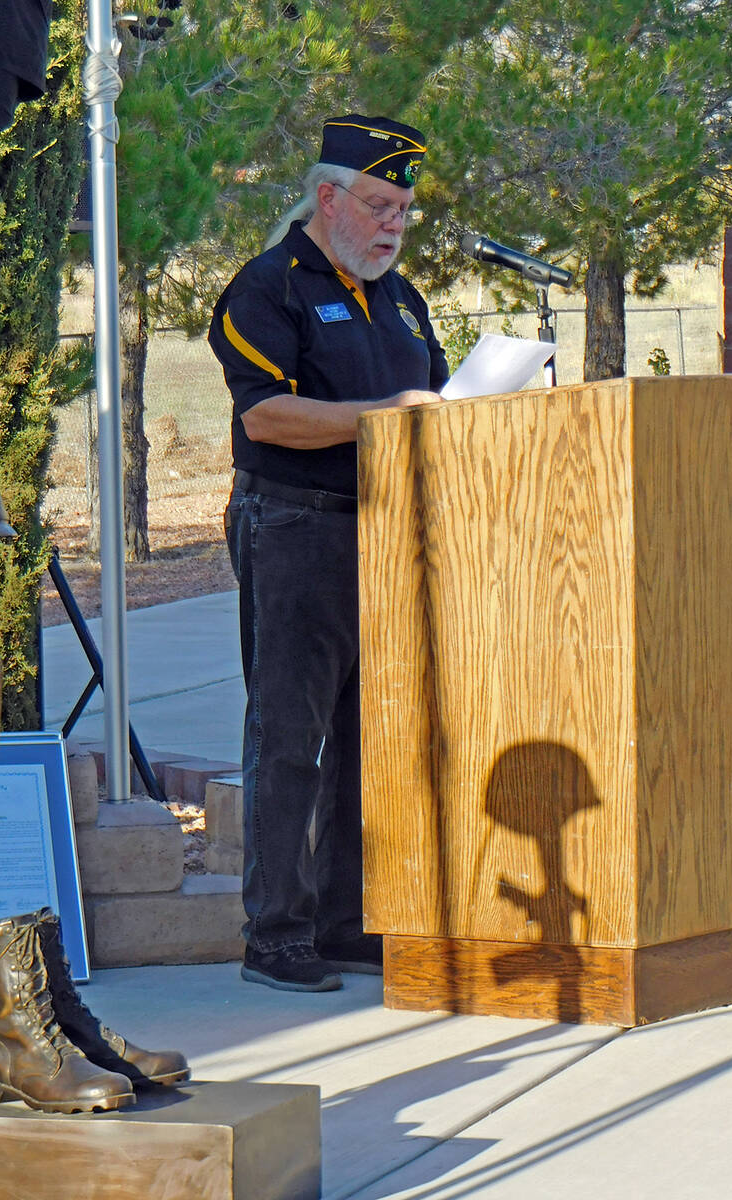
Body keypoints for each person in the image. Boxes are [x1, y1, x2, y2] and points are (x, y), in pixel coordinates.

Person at [208, 113, 449, 992]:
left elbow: (442, 398)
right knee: (288, 733)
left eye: (403, 211)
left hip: (385, 529)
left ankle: (345, 923)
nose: (393, 224)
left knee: (366, 732)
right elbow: (265, 416)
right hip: (294, 528)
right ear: (326, 197)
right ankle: (273, 935)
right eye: (379, 205)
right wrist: (387, 416)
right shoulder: (265, 288)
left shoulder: (400, 298)